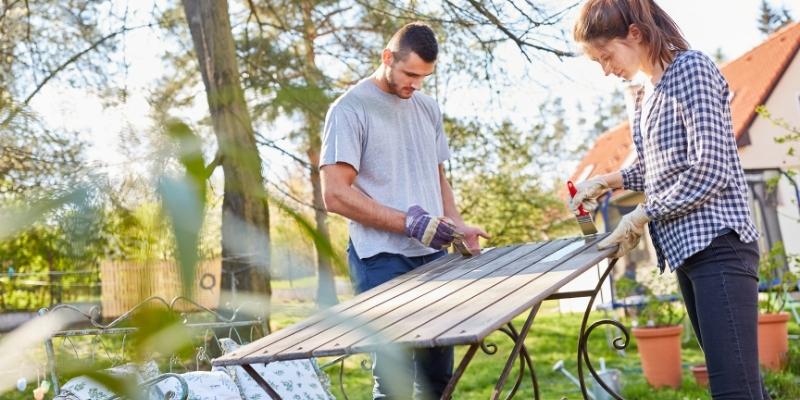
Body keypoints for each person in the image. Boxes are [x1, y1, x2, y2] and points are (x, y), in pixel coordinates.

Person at [571, 1, 767, 398]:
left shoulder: (691, 69)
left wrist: (642, 214)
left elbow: (709, 168)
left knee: (735, 391)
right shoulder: (647, 95)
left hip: (719, 245)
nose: (606, 69)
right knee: (741, 388)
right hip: (687, 254)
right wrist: (607, 181)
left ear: (635, 34)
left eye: (606, 56)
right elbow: (656, 169)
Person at [319, 22, 489, 399]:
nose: (416, 84)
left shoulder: (427, 108)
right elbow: (335, 195)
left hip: (433, 256)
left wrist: (457, 226)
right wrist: (410, 224)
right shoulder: (350, 109)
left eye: (424, 76)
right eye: (410, 73)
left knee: (437, 381)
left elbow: (437, 176)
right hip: (380, 259)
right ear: (387, 58)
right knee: (394, 384)